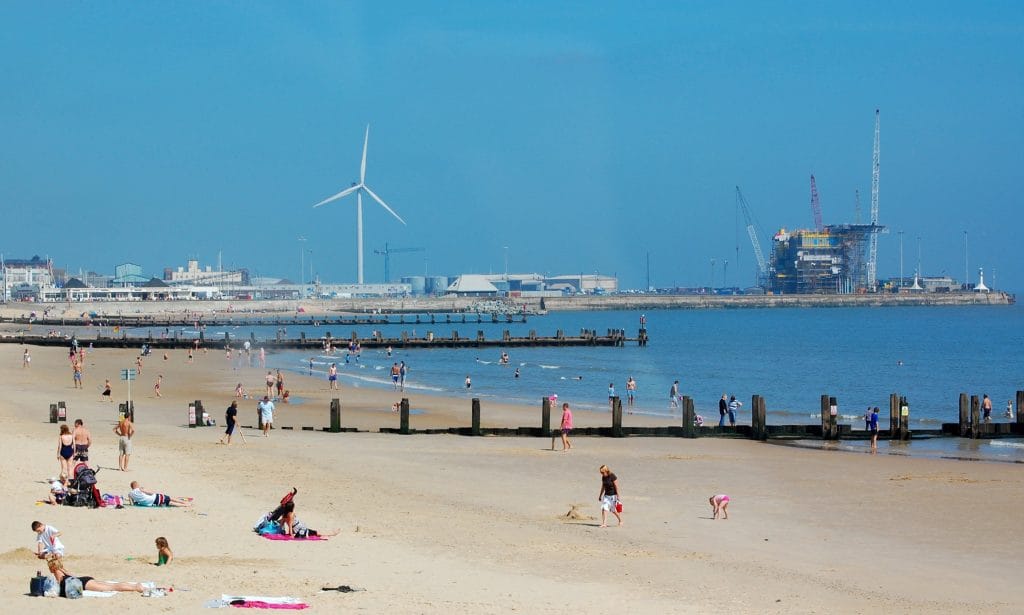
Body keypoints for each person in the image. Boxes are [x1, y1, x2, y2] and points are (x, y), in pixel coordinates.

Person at [47, 556, 147, 596]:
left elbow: (61, 588)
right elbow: (72, 575)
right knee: (111, 585)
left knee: (112, 587)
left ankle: (136, 587)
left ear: (52, 568)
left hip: (85, 584)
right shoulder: (63, 571)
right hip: (85, 579)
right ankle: (135, 585)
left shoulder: (59, 576)